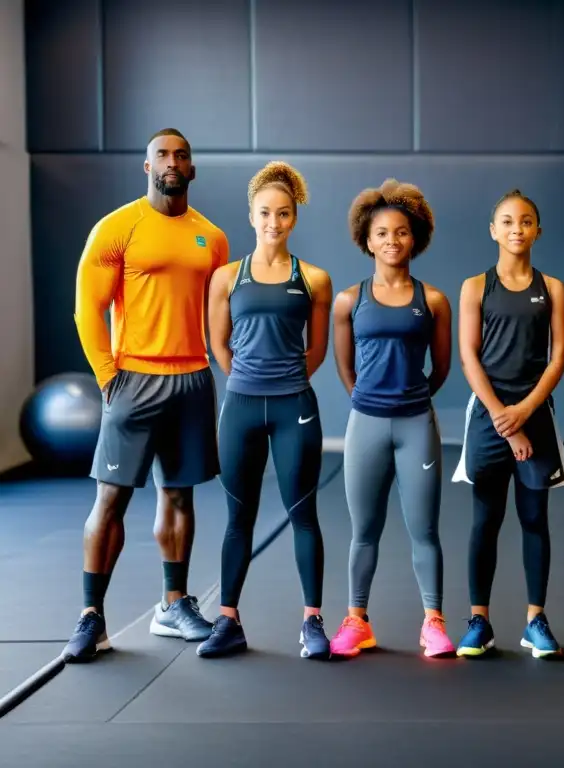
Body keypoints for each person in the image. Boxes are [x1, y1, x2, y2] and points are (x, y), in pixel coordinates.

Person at [63, 128, 228, 662]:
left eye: (182, 154)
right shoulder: (118, 227)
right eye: (163, 154)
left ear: (192, 169)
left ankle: (173, 604)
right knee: (110, 499)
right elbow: (87, 308)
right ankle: (91, 617)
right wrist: (107, 376)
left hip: (193, 378)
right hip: (133, 378)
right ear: (147, 165)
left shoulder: (213, 237)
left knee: (180, 496)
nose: (173, 162)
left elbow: (219, 311)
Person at [196, 161, 334, 660]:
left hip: (294, 405)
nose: (273, 222)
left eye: (283, 213)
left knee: (304, 514)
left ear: (293, 218)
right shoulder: (226, 278)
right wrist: (248, 381)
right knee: (239, 518)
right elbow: (219, 344)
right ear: (251, 215)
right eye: (264, 213)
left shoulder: (314, 278)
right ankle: (228, 621)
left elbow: (317, 349)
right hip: (241, 406)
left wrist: (286, 380)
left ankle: (312, 623)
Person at [330, 179, 456, 658]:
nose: (391, 241)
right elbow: (346, 369)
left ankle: (433, 623)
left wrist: (410, 400)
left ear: (414, 238)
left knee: (424, 530)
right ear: (367, 240)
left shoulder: (435, 301)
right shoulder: (349, 301)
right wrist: (370, 400)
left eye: (400, 232)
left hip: (415, 426)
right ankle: (357, 621)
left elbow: (441, 368)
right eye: (381, 233)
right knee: (364, 531)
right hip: (366, 425)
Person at [451, 189, 564, 659]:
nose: (516, 229)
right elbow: (468, 356)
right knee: (485, 520)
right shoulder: (474, 287)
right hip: (489, 418)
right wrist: (506, 418)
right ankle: (478, 621)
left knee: (534, 519)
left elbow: (558, 357)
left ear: (537, 230)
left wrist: (525, 412)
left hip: (536, 417)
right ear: (493, 230)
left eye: (525, 221)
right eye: (507, 221)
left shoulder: (554, 287)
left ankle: (534, 620)